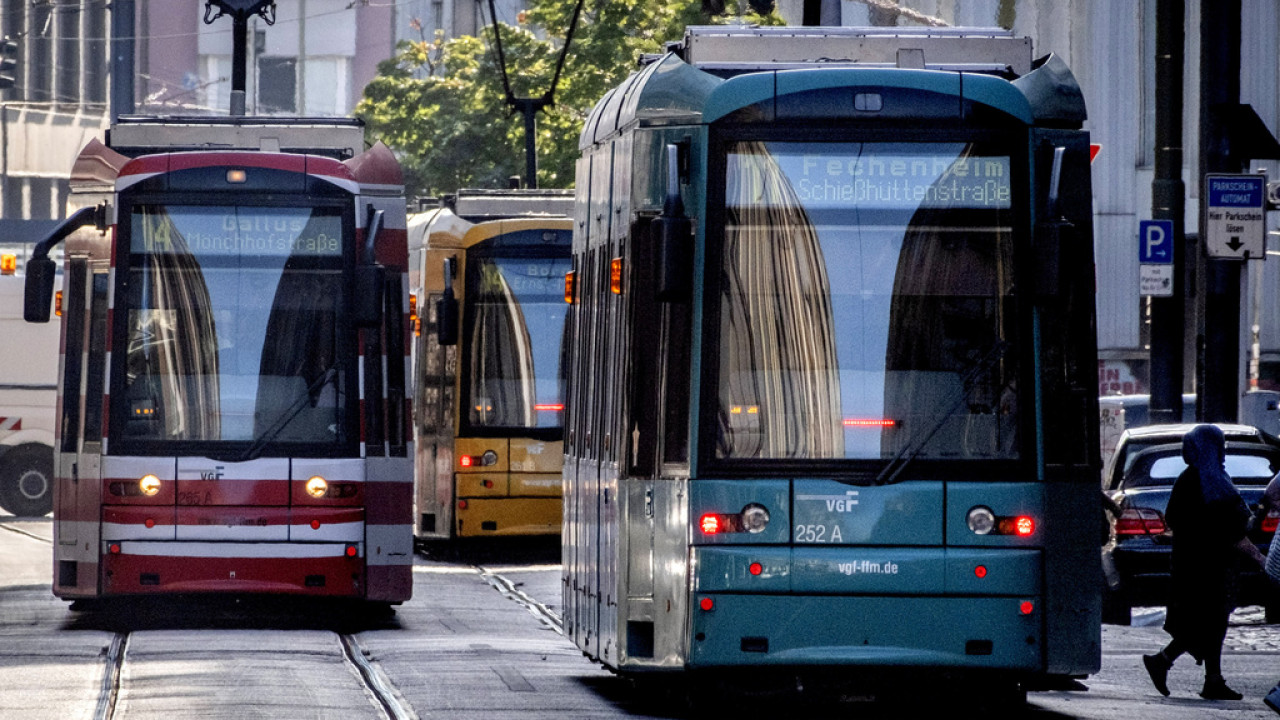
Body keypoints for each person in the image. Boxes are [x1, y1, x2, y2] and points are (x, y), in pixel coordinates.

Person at [1142, 424, 1265, 701]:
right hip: (1206, 568)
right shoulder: (1207, 482)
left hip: (1196, 565)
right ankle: (1168, 662)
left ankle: (1207, 677)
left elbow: (1174, 518)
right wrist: (1259, 557)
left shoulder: (1195, 479)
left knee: (1210, 622)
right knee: (1206, 622)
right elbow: (1230, 528)